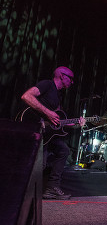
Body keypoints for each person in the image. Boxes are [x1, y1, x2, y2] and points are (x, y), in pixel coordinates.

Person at [21, 66, 85, 200]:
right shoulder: (47, 84)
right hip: (33, 128)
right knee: (40, 163)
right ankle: (22, 193)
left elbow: (58, 121)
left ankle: (52, 188)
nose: (72, 82)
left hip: (47, 133)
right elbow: (26, 96)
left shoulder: (58, 95)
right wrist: (48, 112)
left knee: (63, 150)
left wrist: (76, 124)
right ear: (62, 76)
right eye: (70, 78)